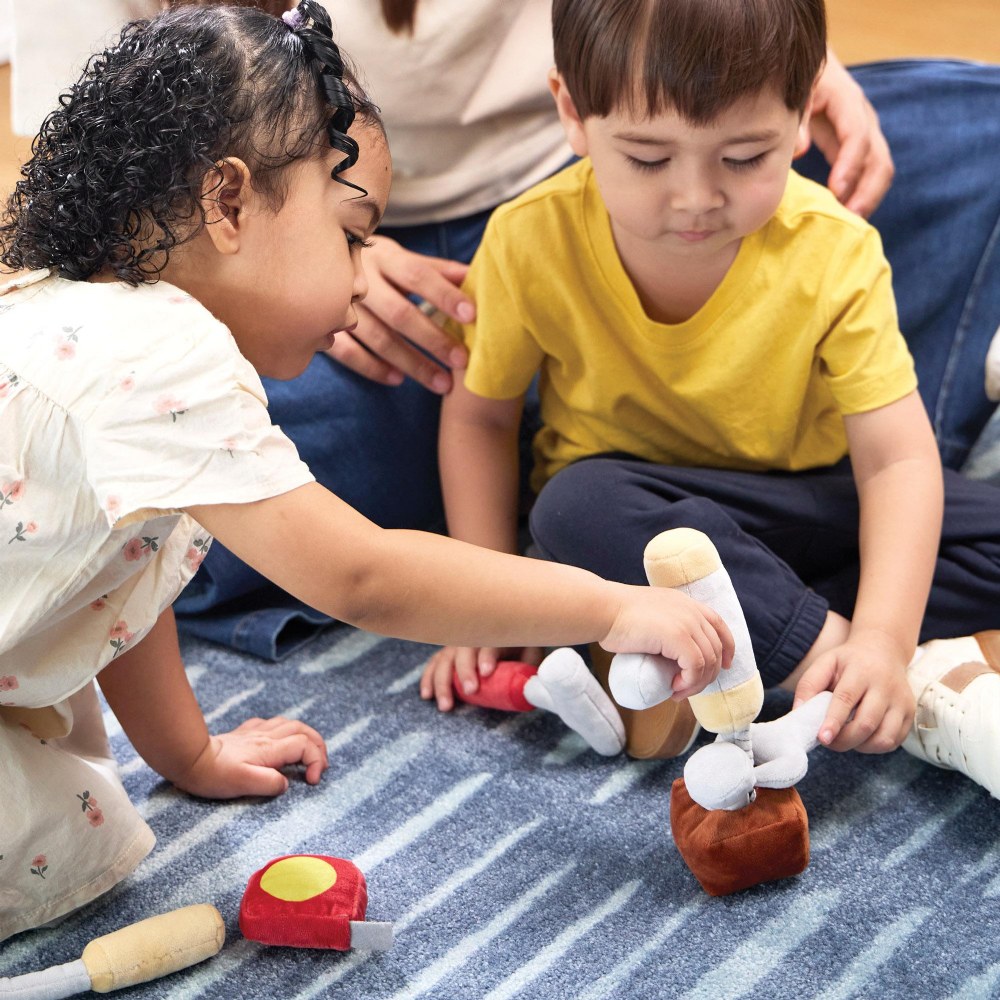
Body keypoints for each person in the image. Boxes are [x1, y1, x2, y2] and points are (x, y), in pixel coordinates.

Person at [0, 1, 737, 940]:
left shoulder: (73, 312)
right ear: (228, 203)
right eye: (352, 234)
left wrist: (188, 756)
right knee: (60, 831)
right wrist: (610, 608)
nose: (360, 278)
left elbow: (122, 588)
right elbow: (363, 576)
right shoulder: (163, 351)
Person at [422, 0, 1000, 799]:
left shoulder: (835, 250)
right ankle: (827, 659)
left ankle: (736, 640)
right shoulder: (530, 239)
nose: (695, 197)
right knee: (573, 507)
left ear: (805, 113)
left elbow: (896, 461)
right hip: (631, 520)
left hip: (798, 506)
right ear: (572, 113)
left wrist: (884, 635)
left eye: (744, 157)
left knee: (941, 520)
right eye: (649, 159)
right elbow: (481, 418)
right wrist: (489, 602)